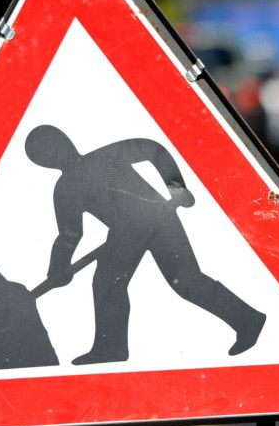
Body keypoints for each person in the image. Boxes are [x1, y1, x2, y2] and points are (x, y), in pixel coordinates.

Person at [25, 124, 266, 365]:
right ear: (43, 163)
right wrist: (58, 270)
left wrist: (177, 187)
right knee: (110, 283)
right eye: (44, 154)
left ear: (65, 142)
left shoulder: (103, 158)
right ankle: (111, 348)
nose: (53, 155)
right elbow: (70, 234)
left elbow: (153, 150)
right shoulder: (66, 188)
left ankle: (248, 320)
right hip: (129, 231)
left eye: (52, 148)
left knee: (182, 281)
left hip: (156, 216)